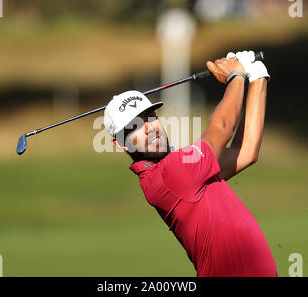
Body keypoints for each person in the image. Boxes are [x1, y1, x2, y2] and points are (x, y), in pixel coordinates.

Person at [103, 51, 277, 277]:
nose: (150, 128)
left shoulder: (183, 167)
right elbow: (222, 127)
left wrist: (257, 80)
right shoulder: (169, 174)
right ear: (119, 143)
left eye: (151, 117)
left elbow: (245, 152)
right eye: (135, 126)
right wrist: (236, 76)